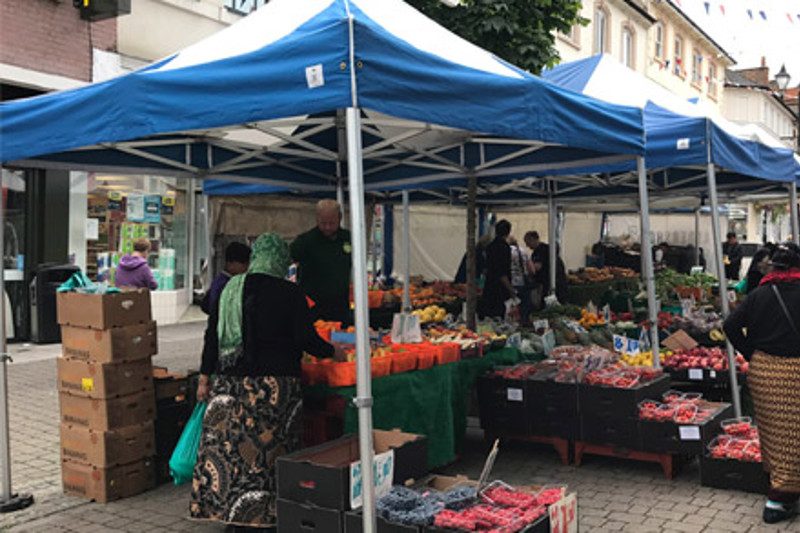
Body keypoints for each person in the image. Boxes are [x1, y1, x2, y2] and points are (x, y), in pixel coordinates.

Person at [192, 233, 335, 530]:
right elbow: (305, 339)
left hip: (230, 388)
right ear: (281, 260)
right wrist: (335, 351)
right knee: (269, 455)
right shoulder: (289, 292)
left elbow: (212, 339)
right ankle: (268, 517)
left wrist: (204, 378)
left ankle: (234, 518)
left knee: (232, 454)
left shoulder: (231, 289)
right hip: (274, 390)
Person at [723, 242, 800, 524]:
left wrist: (751, 353)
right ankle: (780, 498)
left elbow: (730, 325)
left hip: (765, 372)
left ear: (774, 266)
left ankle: (778, 486)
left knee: (773, 433)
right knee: (794, 436)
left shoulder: (759, 294)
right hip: (796, 373)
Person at [290, 199, 352, 324]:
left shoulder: (349, 238)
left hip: (341, 306)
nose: (327, 227)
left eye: (332, 223)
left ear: (339, 218)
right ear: (317, 219)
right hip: (312, 308)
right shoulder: (305, 241)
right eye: (323, 223)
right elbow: (286, 260)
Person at [201, 241, 251, 315]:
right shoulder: (225, 284)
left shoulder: (220, 281)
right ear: (230, 263)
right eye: (243, 263)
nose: (247, 267)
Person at [479, 220, 516, 319]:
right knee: (498, 316)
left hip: (489, 286)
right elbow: (502, 272)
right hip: (500, 290)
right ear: (508, 232)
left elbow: (486, 268)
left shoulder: (490, 246)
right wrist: (511, 289)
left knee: (488, 315)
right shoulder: (505, 248)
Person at [508, 236, 531, 325]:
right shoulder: (523, 252)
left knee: (511, 307)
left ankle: (512, 324)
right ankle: (523, 323)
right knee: (524, 306)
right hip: (522, 283)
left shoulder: (506, 251)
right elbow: (531, 269)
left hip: (510, 283)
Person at [524, 231, 550, 309]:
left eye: (527, 242)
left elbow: (536, 267)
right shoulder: (536, 252)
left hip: (545, 283)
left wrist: (528, 264)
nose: (527, 245)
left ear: (532, 239)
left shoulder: (542, 250)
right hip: (541, 283)